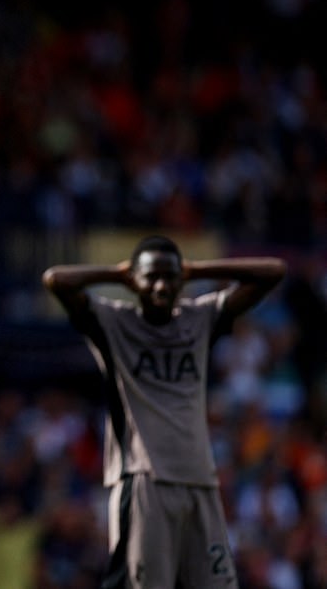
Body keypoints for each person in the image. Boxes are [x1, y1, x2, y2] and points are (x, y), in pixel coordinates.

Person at [42, 235, 287, 588]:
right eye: (151, 276)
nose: (161, 285)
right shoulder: (113, 321)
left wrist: (195, 269)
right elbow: (55, 280)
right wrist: (118, 274)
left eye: (170, 277)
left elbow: (273, 272)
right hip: (144, 479)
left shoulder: (199, 318)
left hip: (200, 478)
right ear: (134, 281)